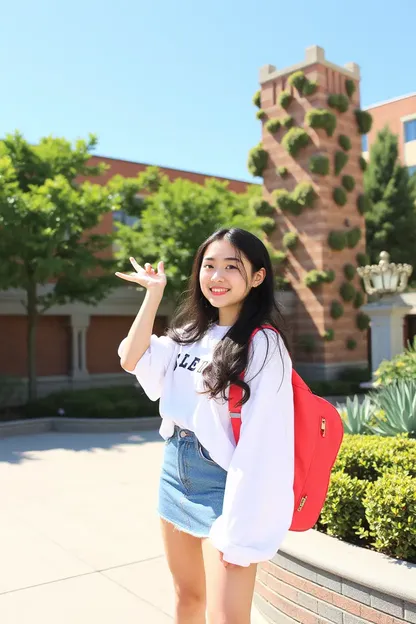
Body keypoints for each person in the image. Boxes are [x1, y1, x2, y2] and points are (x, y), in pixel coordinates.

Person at [116, 227, 295, 624]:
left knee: (226, 616)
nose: (216, 277)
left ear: (258, 276)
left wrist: (246, 516)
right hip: (174, 470)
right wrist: (153, 294)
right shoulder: (188, 334)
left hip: (225, 481)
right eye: (209, 266)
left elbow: (266, 440)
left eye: (231, 267)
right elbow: (131, 358)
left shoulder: (263, 344)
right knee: (188, 597)